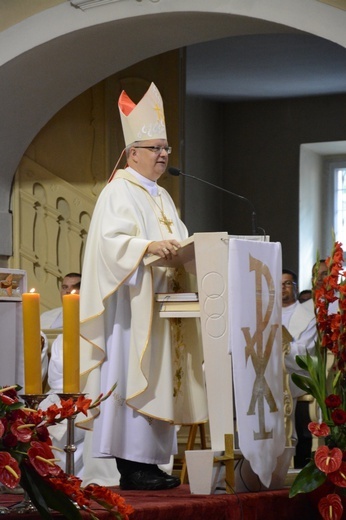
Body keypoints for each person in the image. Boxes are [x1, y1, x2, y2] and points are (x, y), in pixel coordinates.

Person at [79, 82, 208, 491]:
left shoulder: (163, 197)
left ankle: (152, 463)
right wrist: (147, 246)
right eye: (155, 148)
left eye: (166, 148)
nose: (164, 154)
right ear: (133, 153)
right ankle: (131, 466)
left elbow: (180, 241)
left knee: (162, 381)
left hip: (165, 304)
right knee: (137, 376)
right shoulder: (118, 191)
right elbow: (107, 244)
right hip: (133, 309)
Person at [281, 269, 317, 468]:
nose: (283, 288)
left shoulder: (307, 315)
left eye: (287, 283)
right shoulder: (267, 314)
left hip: (298, 373)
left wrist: (282, 347)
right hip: (271, 371)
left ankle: (292, 453)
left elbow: (306, 351)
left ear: (295, 287)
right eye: (278, 284)